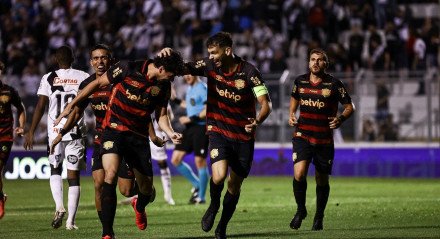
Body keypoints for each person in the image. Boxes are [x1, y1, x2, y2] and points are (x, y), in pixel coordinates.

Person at [54, 51, 184, 239]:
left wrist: (170, 133)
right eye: (171, 74)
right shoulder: (128, 68)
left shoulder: (163, 86)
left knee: (142, 190)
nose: (172, 79)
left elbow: (161, 115)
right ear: (162, 68)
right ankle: (108, 233)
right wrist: (70, 105)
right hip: (113, 130)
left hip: (138, 137)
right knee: (109, 175)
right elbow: (98, 83)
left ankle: (139, 205)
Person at [160, 31, 272, 239]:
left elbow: (266, 104)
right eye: (209, 53)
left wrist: (258, 120)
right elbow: (183, 67)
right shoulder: (209, 66)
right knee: (219, 176)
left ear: (227, 51)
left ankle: (222, 225)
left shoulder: (249, 72)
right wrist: (168, 55)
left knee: (234, 184)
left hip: (243, 136)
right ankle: (212, 206)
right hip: (218, 129)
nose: (210, 57)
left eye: (214, 53)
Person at [49, 44, 150, 230]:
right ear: (91, 62)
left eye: (103, 57)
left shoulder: (120, 80)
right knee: (99, 184)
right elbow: (77, 113)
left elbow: (140, 108)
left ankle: (143, 194)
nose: (99, 61)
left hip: (124, 138)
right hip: (102, 139)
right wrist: (61, 133)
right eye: (95, 58)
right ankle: (106, 229)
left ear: (111, 60)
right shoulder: (87, 84)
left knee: (126, 190)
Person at [23, 45, 90, 230]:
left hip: (54, 132)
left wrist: (31, 131)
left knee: (54, 169)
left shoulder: (49, 77)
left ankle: (59, 207)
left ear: (55, 59)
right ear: (74, 58)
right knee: (73, 177)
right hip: (75, 130)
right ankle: (71, 222)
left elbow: (40, 106)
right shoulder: (83, 76)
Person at [288, 48, 355, 231]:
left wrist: (340, 118)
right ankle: (301, 210)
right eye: (313, 59)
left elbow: (350, 106)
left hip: (324, 140)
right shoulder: (299, 81)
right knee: (299, 174)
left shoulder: (334, 84)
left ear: (325, 64)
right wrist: (292, 113)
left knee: (321, 180)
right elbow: (295, 97)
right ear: (308, 62)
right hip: (302, 135)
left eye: (320, 60)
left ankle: (319, 216)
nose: (315, 62)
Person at [171, 74, 209, 204]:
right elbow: (190, 105)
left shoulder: (202, 88)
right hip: (190, 128)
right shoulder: (190, 88)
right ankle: (198, 184)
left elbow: (207, 108)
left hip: (201, 128)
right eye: (185, 75)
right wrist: (175, 99)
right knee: (176, 159)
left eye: (189, 74)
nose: (186, 77)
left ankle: (201, 197)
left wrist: (191, 118)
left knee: (200, 161)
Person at [0, 61, 26, 219]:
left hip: (5, 136)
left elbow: (21, 109)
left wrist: (21, 126)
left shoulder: (9, 91)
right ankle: (1, 196)